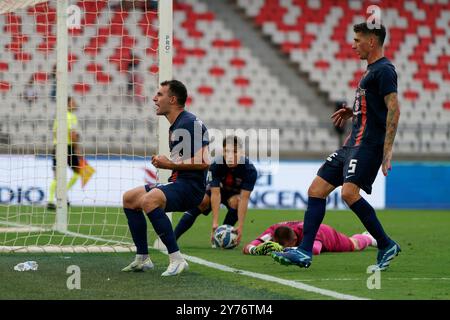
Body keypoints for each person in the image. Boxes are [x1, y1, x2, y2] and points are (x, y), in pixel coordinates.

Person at [272, 22, 401, 272]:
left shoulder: (385, 70)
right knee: (316, 189)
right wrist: (353, 112)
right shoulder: (370, 71)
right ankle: (304, 251)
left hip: (367, 145)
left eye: (357, 40)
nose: (353, 45)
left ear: (371, 42)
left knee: (349, 194)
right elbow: (373, 108)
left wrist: (387, 150)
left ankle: (385, 244)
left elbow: (393, 110)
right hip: (351, 143)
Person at [121, 80, 209, 276]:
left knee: (149, 200)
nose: (154, 98)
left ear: (172, 99)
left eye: (159, 95)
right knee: (130, 198)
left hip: (191, 188)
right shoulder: (179, 124)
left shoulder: (188, 123)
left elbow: (204, 161)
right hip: (179, 182)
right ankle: (143, 258)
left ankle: (177, 259)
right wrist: (168, 163)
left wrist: (169, 164)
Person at [173, 136, 257, 246]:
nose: (230, 155)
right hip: (218, 192)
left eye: (235, 151)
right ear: (223, 151)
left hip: (233, 195)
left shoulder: (249, 170)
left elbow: (244, 199)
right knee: (202, 201)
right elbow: (215, 193)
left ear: (242, 152)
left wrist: (240, 226)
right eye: (227, 151)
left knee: (237, 201)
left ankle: (222, 237)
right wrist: (215, 223)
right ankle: (173, 238)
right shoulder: (216, 164)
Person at [243, 220, 376, 256]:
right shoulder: (273, 231)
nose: (283, 248)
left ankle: (369, 238)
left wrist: (282, 251)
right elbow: (248, 246)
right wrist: (256, 250)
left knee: (354, 244)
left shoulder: (310, 232)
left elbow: (315, 249)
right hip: (311, 229)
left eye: (285, 246)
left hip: (325, 233)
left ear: (295, 239)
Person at [47, 96, 81, 210]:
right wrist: (76, 148)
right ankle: (63, 194)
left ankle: (50, 201)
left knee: (57, 176)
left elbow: (55, 132)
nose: (75, 104)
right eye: (73, 102)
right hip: (68, 147)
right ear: (67, 104)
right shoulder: (71, 117)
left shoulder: (59, 117)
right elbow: (73, 134)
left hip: (57, 147)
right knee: (77, 172)